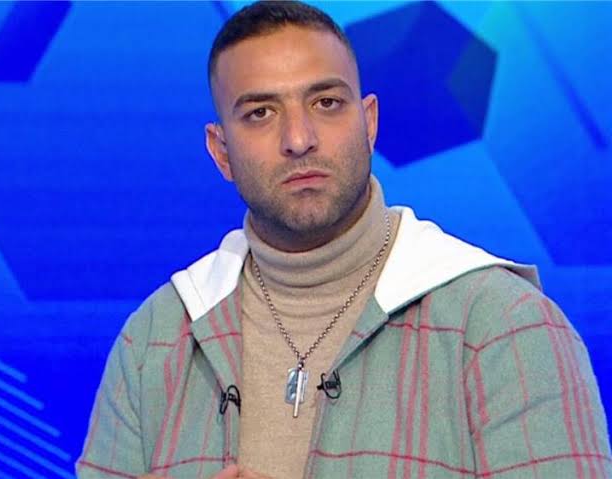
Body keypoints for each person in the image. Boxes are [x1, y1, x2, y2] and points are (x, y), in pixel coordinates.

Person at [76, 2, 611, 478]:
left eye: (326, 103)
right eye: (261, 113)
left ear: (369, 122)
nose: (298, 139)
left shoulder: (505, 325)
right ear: (221, 153)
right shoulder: (154, 340)